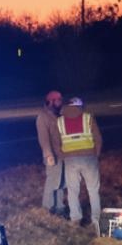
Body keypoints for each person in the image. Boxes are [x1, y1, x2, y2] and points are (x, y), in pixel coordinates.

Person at [51, 96, 103, 230]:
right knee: (93, 190)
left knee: (73, 190)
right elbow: (98, 138)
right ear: (80, 106)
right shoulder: (88, 118)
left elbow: (56, 142)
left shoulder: (59, 121)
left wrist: (63, 156)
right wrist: (96, 154)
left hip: (70, 160)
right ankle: (96, 220)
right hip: (89, 158)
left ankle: (75, 219)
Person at [35, 90, 66, 215]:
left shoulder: (59, 115)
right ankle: (47, 208)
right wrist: (48, 155)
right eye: (58, 100)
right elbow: (44, 139)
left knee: (61, 182)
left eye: (60, 100)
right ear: (51, 102)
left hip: (63, 155)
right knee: (52, 181)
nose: (60, 102)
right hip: (52, 155)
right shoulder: (43, 117)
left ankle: (59, 207)